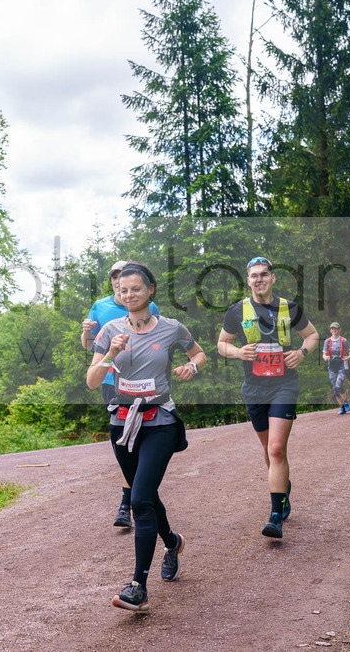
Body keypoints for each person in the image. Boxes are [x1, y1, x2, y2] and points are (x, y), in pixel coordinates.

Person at [88, 262, 206, 613]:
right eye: (123, 290)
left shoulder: (171, 329)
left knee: (139, 500)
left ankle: (138, 586)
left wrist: (192, 366)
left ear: (150, 289)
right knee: (147, 495)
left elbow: (198, 352)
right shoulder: (109, 330)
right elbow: (93, 381)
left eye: (135, 289)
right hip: (122, 423)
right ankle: (172, 542)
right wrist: (110, 354)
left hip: (160, 422)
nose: (129, 295)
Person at [217, 256, 319, 540]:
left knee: (275, 448)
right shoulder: (236, 311)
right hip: (253, 388)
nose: (259, 279)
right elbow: (222, 344)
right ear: (248, 281)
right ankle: (283, 488)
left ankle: (275, 514)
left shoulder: (290, 308)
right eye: (254, 276)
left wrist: (302, 353)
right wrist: (238, 352)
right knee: (269, 449)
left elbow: (312, 336)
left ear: (273, 278)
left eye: (264, 274)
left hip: (284, 385)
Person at [81, 260, 161, 529]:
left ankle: (132, 499)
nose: (119, 281)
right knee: (125, 440)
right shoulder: (100, 306)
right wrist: (85, 332)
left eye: (123, 276)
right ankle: (131, 500)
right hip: (109, 380)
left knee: (137, 439)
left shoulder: (148, 305)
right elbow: (90, 346)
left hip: (140, 381)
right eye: (115, 277)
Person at [322, 322, 350, 413]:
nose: (334, 330)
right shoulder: (327, 342)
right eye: (332, 329)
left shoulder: (344, 340)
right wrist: (325, 357)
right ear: (330, 330)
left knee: (338, 385)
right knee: (335, 389)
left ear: (339, 330)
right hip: (332, 366)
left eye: (336, 329)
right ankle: (342, 407)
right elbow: (324, 354)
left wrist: (349, 356)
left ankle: (346, 402)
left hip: (342, 365)